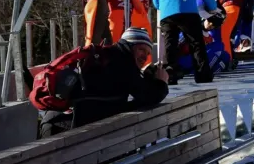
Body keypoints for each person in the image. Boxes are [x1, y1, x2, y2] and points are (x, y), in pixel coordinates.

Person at [35, 27, 168, 138]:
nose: (145, 57)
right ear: (130, 45)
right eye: (141, 50)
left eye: (148, 53)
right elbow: (148, 96)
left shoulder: (108, 56)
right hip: (68, 127)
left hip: (55, 121)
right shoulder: (122, 62)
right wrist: (162, 82)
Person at [152, 0, 222, 84]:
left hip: (166, 14)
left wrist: (164, 7)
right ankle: (203, 76)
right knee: (196, 43)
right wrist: (213, 7)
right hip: (187, 10)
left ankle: (170, 76)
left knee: (170, 45)